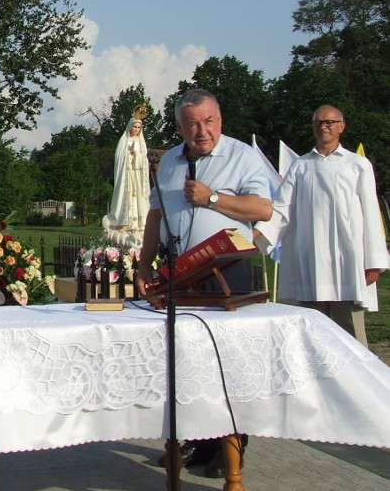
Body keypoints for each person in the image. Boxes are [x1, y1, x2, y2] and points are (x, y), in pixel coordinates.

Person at [135, 89, 273, 478]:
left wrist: (213, 199)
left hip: (227, 274)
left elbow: (263, 209)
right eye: (193, 123)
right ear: (180, 127)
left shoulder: (241, 156)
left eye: (209, 121)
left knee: (227, 363)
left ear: (220, 120)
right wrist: (144, 265)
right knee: (189, 362)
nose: (202, 131)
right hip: (181, 274)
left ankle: (230, 449)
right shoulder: (170, 163)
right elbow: (154, 218)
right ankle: (198, 441)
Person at [254, 105, 389, 347]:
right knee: (314, 334)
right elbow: (281, 208)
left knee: (351, 336)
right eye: (318, 122)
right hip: (312, 261)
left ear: (341, 126)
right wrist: (258, 233)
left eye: (329, 122)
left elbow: (371, 212)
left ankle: (359, 382)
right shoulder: (301, 166)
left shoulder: (357, 165)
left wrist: (374, 261)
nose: (323, 127)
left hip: (347, 261)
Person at [103, 116, 149, 234]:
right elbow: (119, 158)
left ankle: (139, 223)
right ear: (130, 126)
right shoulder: (124, 141)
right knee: (127, 197)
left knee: (138, 197)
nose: (136, 130)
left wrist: (136, 155)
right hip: (127, 175)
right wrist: (130, 155)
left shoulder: (141, 143)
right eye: (135, 127)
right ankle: (123, 222)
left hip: (137, 174)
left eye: (139, 127)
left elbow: (144, 160)